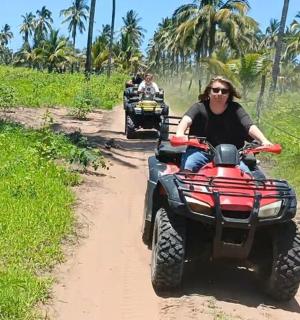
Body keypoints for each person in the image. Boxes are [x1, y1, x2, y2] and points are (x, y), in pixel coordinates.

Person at [176, 75, 272, 173]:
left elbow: (249, 125)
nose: (220, 93)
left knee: (247, 177)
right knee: (188, 167)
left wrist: (264, 141)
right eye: (216, 90)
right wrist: (179, 134)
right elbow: (186, 120)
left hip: (231, 157)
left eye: (224, 91)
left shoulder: (236, 109)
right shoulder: (199, 107)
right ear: (209, 91)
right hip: (201, 152)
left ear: (229, 94)